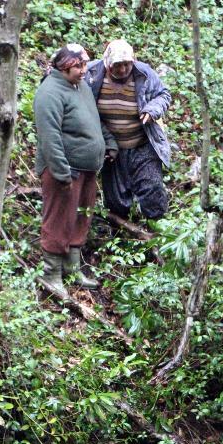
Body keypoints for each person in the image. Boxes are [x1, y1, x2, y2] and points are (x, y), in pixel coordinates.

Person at [33, 43, 116, 297]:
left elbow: (93, 121)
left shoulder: (80, 87)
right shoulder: (50, 93)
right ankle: (51, 275)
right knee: (59, 218)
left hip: (88, 168)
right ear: (64, 66)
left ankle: (72, 267)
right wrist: (61, 171)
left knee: (82, 215)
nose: (83, 70)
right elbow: (49, 137)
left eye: (83, 65)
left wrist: (108, 143)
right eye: (78, 66)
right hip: (66, 169)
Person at [86, 40, 171, 220]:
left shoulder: (143, 73)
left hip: (142, 144)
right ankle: (122, 233)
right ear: (107, 64)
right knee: (116, 200)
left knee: (152, 189)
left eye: (127, 64)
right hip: (111, 148)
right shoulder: (91, 74)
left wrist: (152, 110)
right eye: (118, 65)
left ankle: (158, 233)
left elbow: (164, 94)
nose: (123, 69)